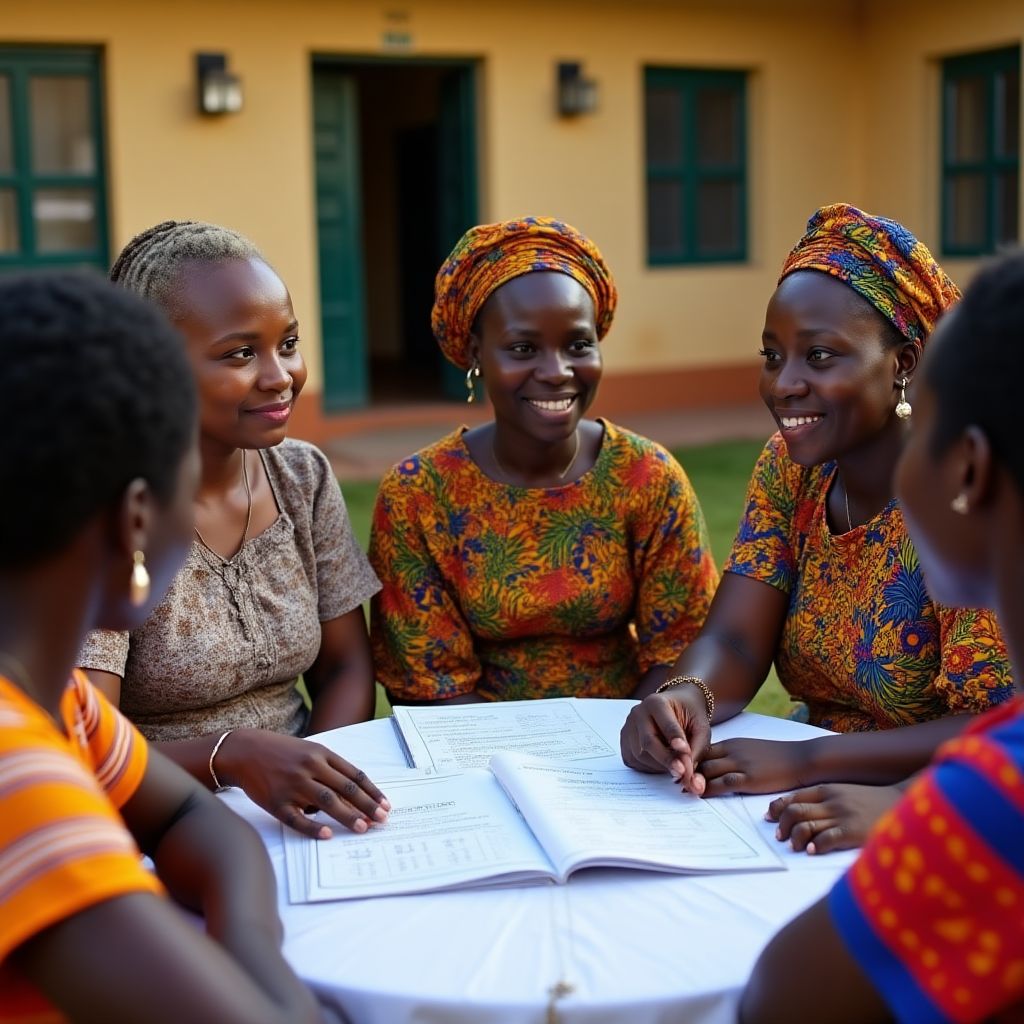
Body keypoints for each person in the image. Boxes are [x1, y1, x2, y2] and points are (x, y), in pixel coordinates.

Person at [0, 272, 324, 1023]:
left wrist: (248, 946)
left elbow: (190, 820)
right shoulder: (16, 771)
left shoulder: (58, 700)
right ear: (137, 521)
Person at [620, 204, 1011, 810]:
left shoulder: (962, 494)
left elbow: (1000, 728)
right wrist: (686, 697)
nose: (783, 384)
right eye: (772, 356)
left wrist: (810, 761)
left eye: (820, 356)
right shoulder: (791, 469)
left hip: (931, 798)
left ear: (903, 363)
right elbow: (736, 641)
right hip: (805, 787)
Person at [741, 250, 1024, 1024]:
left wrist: (900, 800)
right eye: (773, 355)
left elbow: (780, 999)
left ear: (968, 470)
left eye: (921, 428)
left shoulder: (995, 797)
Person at [80, 221, 388, 839]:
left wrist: (316, 781)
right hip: (157, 816)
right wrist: (233, 758)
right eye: (240, 354)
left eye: (288, 343)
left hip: (301, 817)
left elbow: (346, 668)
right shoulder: (103, 511)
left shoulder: (301, 477)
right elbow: (89, 745)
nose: (280, 376)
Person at [369, 216, 718, 704]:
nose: (556, 372)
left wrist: (635, 728)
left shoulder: (646, 476)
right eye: (523, 348)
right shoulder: (419, 494)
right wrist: (522, 751)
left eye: (578, 345)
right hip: (469, 739)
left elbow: (683, 645)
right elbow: (427, 678)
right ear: (476, 353)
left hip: (626, 730)